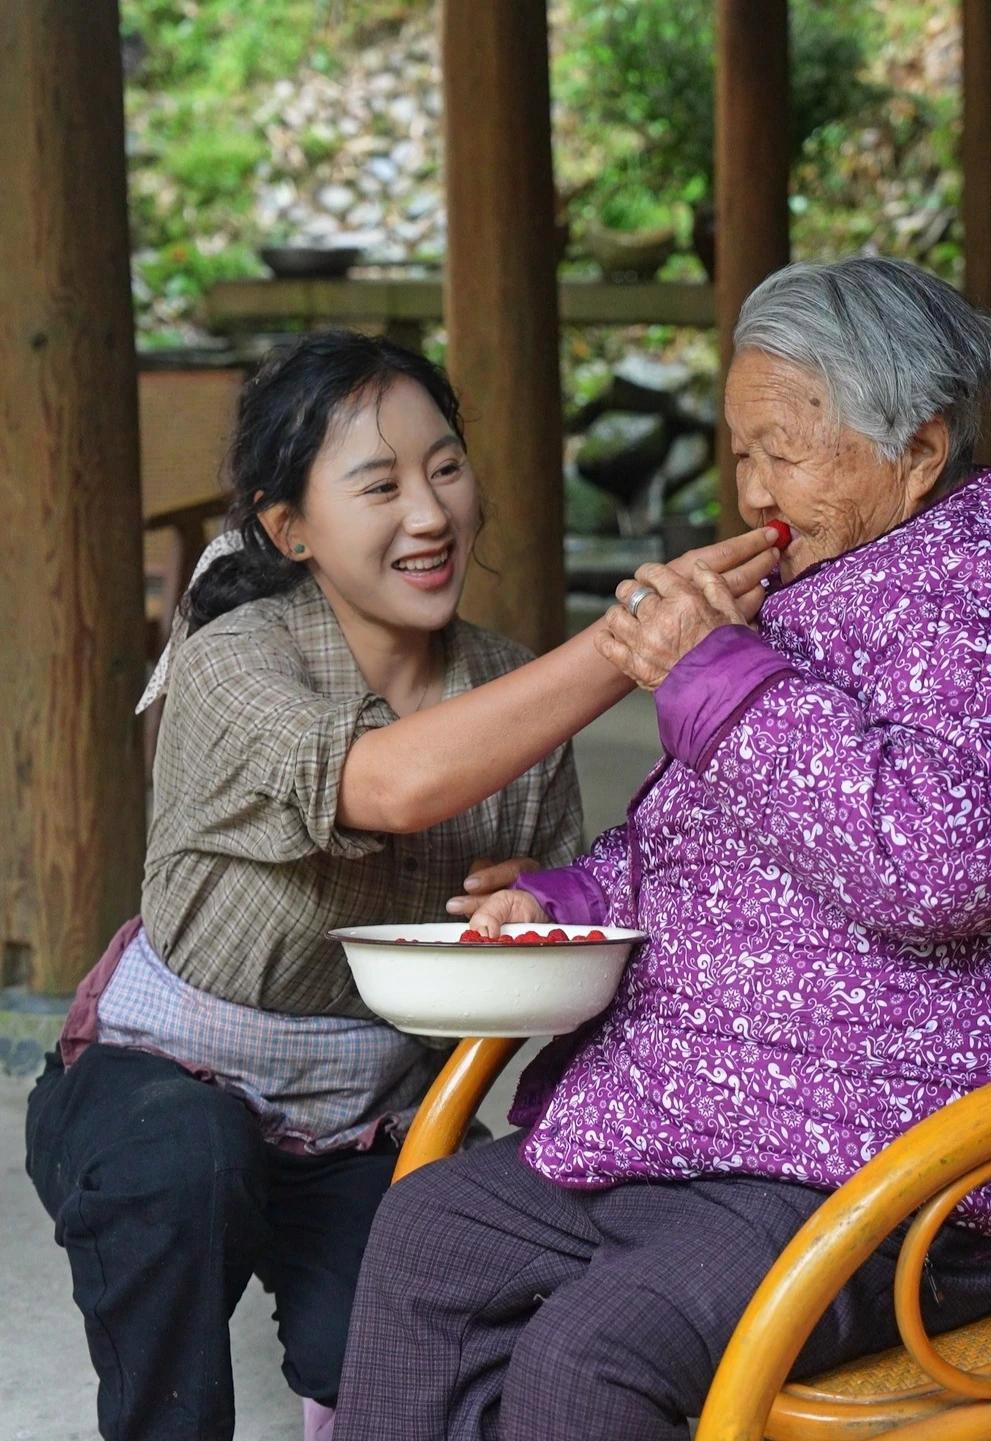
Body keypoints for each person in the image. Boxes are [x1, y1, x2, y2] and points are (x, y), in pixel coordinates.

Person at [333, 257, 991, 1441]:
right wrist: (567, 894)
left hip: (896, 1157)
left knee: (593, 1356)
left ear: (922, 450)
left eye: (785, 450)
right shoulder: (814, 579)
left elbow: (951, 860)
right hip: (718, 1114)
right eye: (739, 450)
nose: (753, 488)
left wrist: (715, 677)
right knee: (430, 1238)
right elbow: (705, 834)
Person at [24, 330, 782, 1441]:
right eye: (378, 485)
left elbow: (557, 921)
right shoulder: (235, 656)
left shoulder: (506, 683)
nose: (428, 515)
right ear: (290, 529)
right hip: (162, 1081)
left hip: (368, 1115)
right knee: (179, 1166)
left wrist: (540, 899)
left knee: (409, 1332)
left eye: (444, 469)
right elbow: (394, 784)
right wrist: (633, 641)